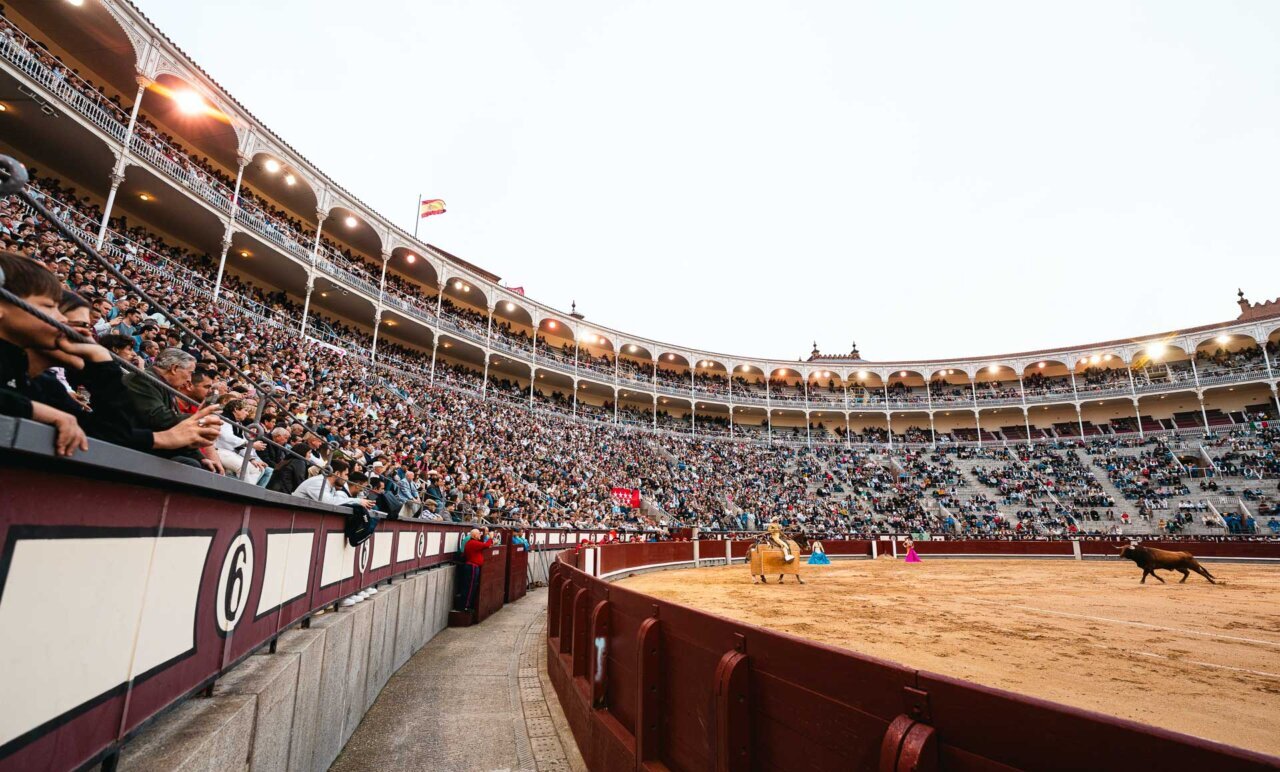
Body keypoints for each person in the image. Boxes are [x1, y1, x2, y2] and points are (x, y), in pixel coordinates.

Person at [457, 526, 493, 612]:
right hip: (472, 567)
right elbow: (487, 545)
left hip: (472, 566)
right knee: (470, 587)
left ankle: (465, 605)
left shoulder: (472, 542)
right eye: (478, 534)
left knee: (470, 586)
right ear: (474, 535)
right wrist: (491, 538)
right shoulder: (473, 543)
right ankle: (465, 606)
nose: (480, 535)